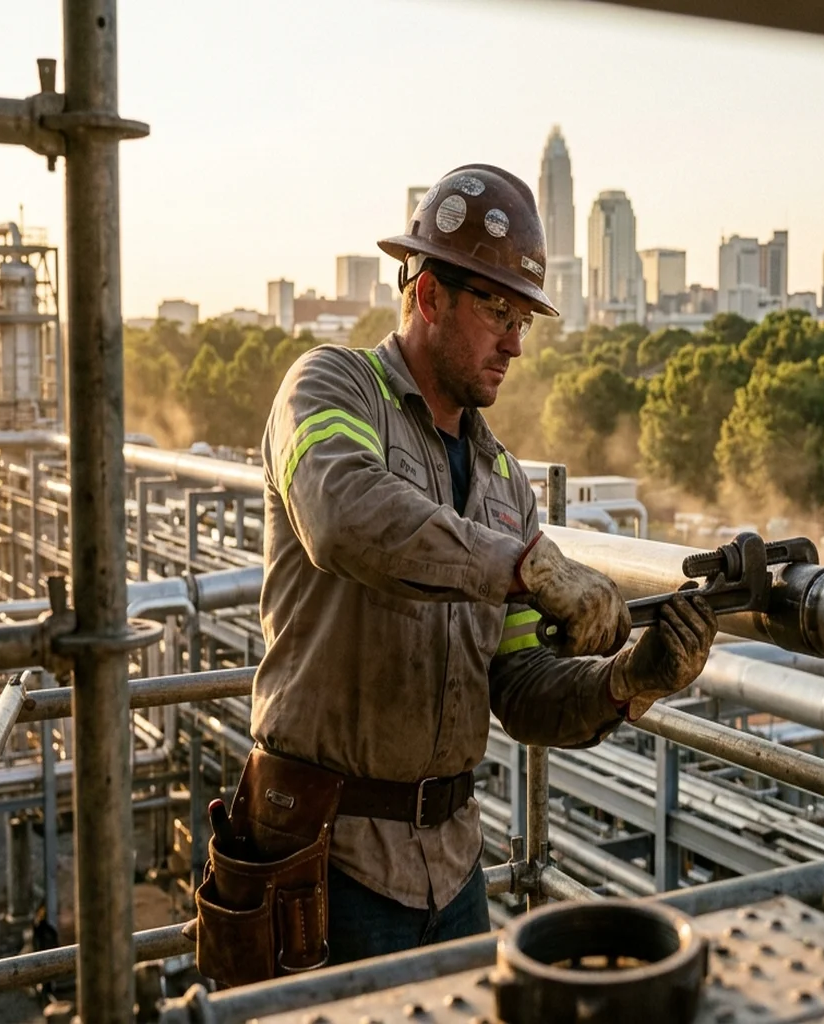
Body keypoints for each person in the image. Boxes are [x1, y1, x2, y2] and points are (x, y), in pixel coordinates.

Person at [248, 163, 716, 963]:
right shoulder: (331, 389)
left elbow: (520, 688)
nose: (516, 341)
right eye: (497, 309)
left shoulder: (503, 483)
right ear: (429, 296)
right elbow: (343, 516)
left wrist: (631, 681)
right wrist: (529, 567)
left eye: (524, 317)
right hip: (327, 860)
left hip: (454, 871)